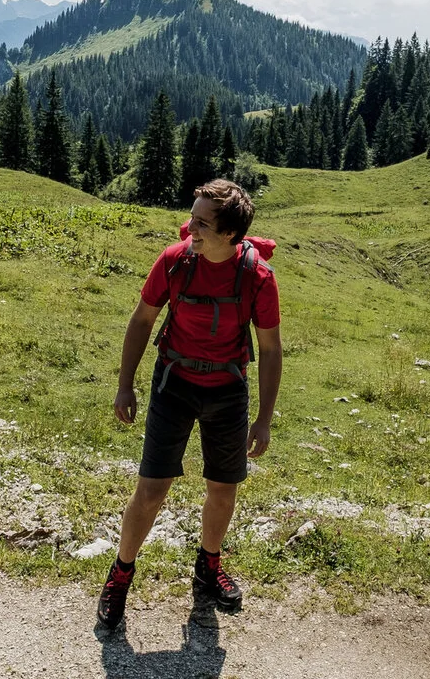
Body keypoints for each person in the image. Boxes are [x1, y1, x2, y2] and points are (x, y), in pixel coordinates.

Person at [97, 179, 281, 635]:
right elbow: (142, 319)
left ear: (231, 235)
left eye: (201, 224)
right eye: (192, 218)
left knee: (223, 488)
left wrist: (263, 419)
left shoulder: (258, 277)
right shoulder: (175, 261)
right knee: (152, 488)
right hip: (173, 382)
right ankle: (120, 574)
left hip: (228, 390)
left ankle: (208, 566)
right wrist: (125, 385)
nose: (189, 229)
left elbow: (271, 349)